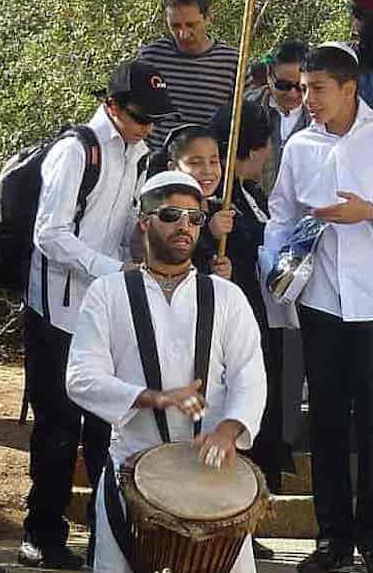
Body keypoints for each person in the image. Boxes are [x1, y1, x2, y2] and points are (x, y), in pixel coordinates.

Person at [264, 43, 373, 573]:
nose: (307, 98)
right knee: (329, 421)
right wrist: (276, 264)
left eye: (317, 88)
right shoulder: (299, 143)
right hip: (319, 298)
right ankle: (332, 539)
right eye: (303, 88)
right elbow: (280, 213)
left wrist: (368, 212)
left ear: (349, 88)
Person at [65, 171, 267, 573]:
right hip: (132, 472)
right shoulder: (109, 293)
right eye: (172, 215)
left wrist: (229, 431)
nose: (185, 227)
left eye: (195, 218)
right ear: (145, 221)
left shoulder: (227, 296)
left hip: (214, 479)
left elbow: (250, 374)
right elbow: (80, 377)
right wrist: (152, 398)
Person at [19, 59, 176, 570]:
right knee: (58, 427)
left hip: (109, 312)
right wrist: (109, 269)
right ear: (112, 106)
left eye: (153, 119)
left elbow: (122, 219)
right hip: (59, 312)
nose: (146, 128)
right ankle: (41, 533)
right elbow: (50, 233)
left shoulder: (138, 153)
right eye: (138, 117)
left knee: (105, 427)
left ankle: (103, 536)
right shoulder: (76, 151)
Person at [208, 102, 289, 560]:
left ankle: (245, 519)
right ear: (256, 146)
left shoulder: (248, 192)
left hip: (260, 317)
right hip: (228, 319)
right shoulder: (219, 202)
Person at [137, 0, 240, 148]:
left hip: (205, 167)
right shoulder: (150, 58)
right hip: (154, 165)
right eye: (175, 26)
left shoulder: (233, 63)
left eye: (191, 25)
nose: (183, 34)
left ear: (208, 17)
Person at [152, 124, 234, 281]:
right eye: (195, 163)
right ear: (173, 167)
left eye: (214, 161)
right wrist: (209, 233)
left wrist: (225, 271)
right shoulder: (164, 213)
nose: (207, 170)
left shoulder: (222, 209)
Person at [248, 40, 310, 195]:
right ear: (269, 75)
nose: (293, 94)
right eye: (284, 86)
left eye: (301, 87)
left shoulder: (324, 115)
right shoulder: (244, 109)